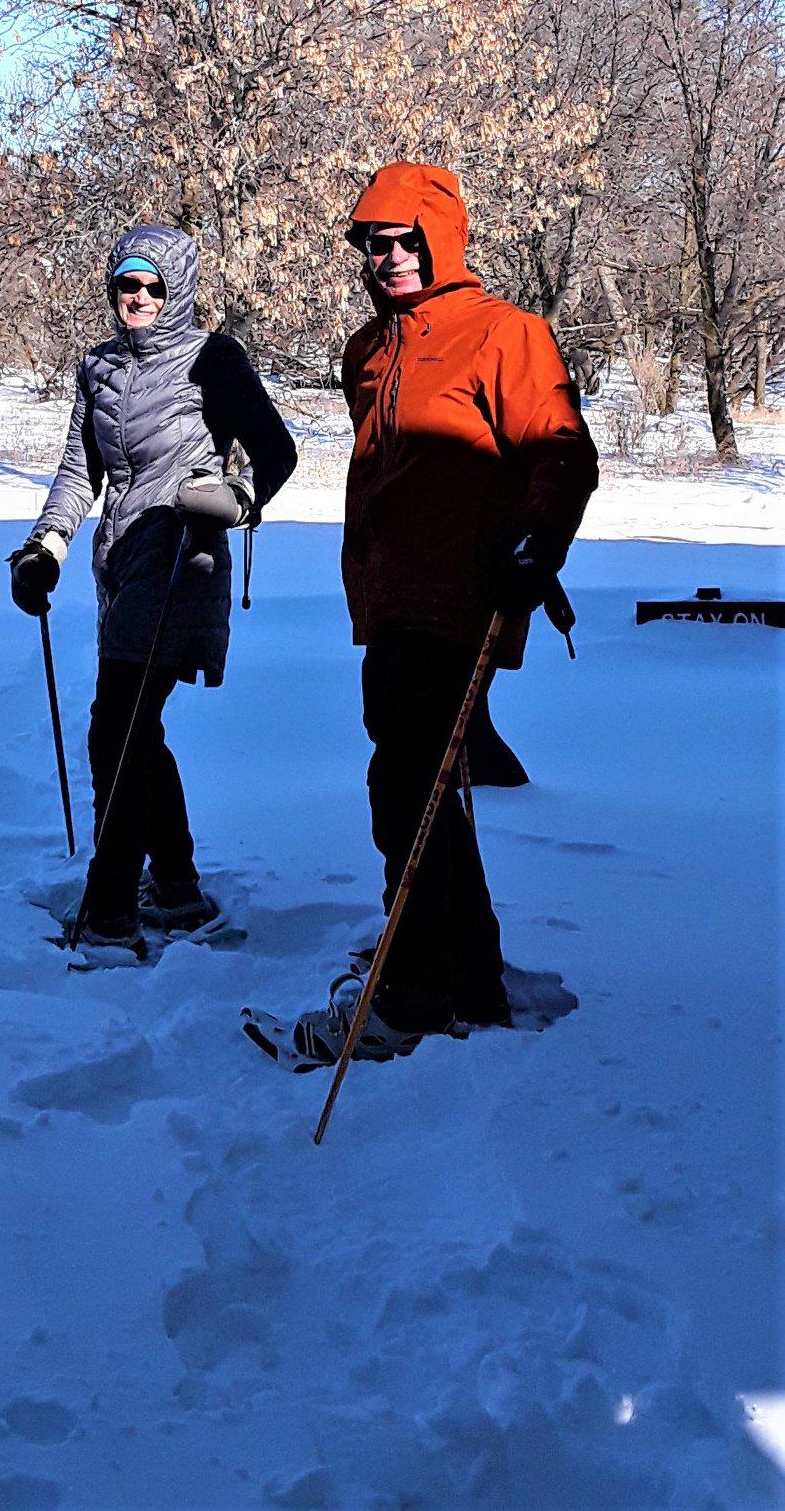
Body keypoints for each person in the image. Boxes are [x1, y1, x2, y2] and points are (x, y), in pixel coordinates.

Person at [243, 161, 598, 1067]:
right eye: (374, 242)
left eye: (407, 240)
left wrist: (535, 540)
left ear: (444, 239)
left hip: (462, 595)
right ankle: (465, 971)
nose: (391, 256)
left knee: (402, 787)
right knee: (424, 789)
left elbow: (560, 452)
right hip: (389, 597)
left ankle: (411, 993)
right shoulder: (372, 348)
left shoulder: (504, 334)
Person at [9, 223, 297, 959]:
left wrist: (237, 495)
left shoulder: (213, 359)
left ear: (178, 292)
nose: (137, 297)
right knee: (137, 729)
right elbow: (81, 471)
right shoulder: (97, 368)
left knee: (118, 729)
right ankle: (174, 887)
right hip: (121, 565)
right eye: (126, 284)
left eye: (153, 286)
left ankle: (108, 917)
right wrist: (48, 544)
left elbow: (276, 451)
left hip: (180, 564)